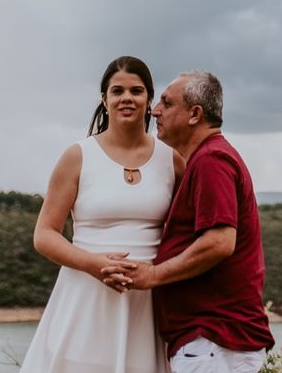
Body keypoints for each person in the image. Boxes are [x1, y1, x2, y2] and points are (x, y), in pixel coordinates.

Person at [104, 71, 274, 373]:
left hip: (214, 340)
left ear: (195, 114)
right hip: (212, 342)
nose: (155, 110)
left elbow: (219, 243)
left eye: (167, 104)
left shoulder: (212, 161)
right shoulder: (207, 158)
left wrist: (153, 275)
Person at [20, 55, 178, 372]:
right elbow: (45, 235)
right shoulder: (78, 156)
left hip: (145, 303)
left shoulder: (172, 160)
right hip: (85, 295)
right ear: (104, 100)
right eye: (117, 91)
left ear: (149, 99)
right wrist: (94, 264)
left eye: (136, 91)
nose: (126, 98)